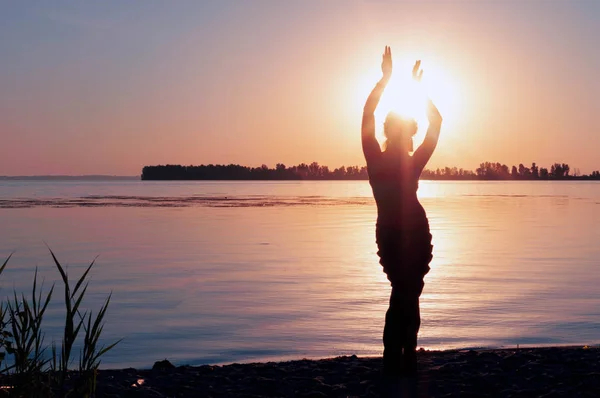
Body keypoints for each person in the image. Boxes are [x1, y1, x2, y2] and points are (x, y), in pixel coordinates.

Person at [361, 46, 442, 376]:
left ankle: (405, 352)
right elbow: (367, 117)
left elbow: (435, 123)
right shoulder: (381, 161)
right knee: (405, 291)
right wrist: (388, 80)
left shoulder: (397, 162)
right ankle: (397, 353)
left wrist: (391, 82)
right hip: (397, 236)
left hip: (413, 234)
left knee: (409, 291)